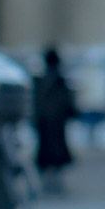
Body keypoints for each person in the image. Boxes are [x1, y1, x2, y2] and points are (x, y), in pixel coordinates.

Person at [33, 48, 77, 195]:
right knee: (55, 154)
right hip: (56, 124)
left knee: (46, 154)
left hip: (46, 125)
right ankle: (54, 182)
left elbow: (36, 103)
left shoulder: (41, 81)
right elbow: (68, 103)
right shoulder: (60, 81)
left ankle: (47, 182)